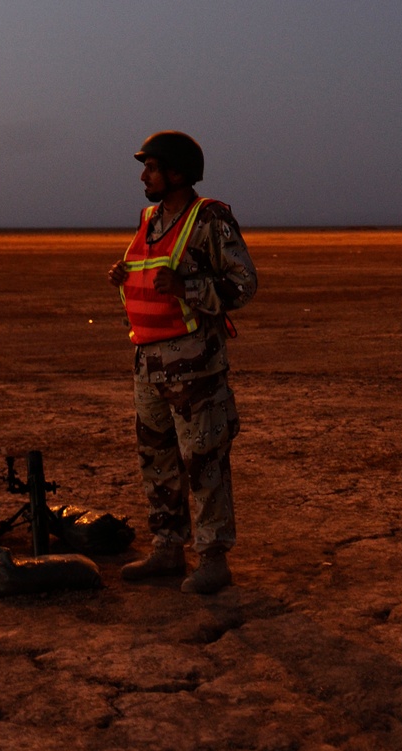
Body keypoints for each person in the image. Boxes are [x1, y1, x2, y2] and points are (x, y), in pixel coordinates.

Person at [108, 130, 257, 595]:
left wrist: (188, 289)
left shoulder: (209, 219)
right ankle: (167, 547)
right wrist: (122, 275)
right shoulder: (149, 220)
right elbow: (152, 273)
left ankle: (213, 558)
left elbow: (244, 285)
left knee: (204, 461)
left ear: (176, 173)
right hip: (149, 364)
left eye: (151, 167)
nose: (143, 175)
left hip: (195, 369)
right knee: (157, 459)